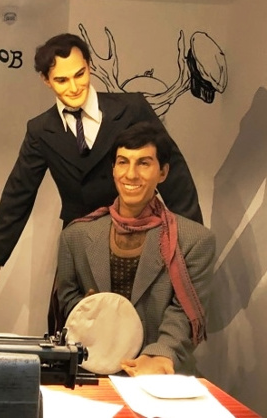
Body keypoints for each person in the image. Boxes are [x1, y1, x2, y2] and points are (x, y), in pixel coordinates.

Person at [0, 33, 202, 287]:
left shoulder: (132, 108)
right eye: (62, 80)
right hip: (80, 238)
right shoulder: (40, 130)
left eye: (80, 74)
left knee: (139, 307)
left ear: (89, 65)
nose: (74, 87)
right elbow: (19, 191)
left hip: (138, 231)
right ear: (46, 80)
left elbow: (174, 172)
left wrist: (192, 238)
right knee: (76, 309)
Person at [53, 121, 214, 376]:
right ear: (113, 169)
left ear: (163, 172)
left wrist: (159, 354)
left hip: (158, 372)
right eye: (123, 162)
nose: (130, 174)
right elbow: (67, 300)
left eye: (143, 163)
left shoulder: (195, 240)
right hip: (91, 369)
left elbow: (183, 312)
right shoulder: (75, 237)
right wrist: (92, 309)